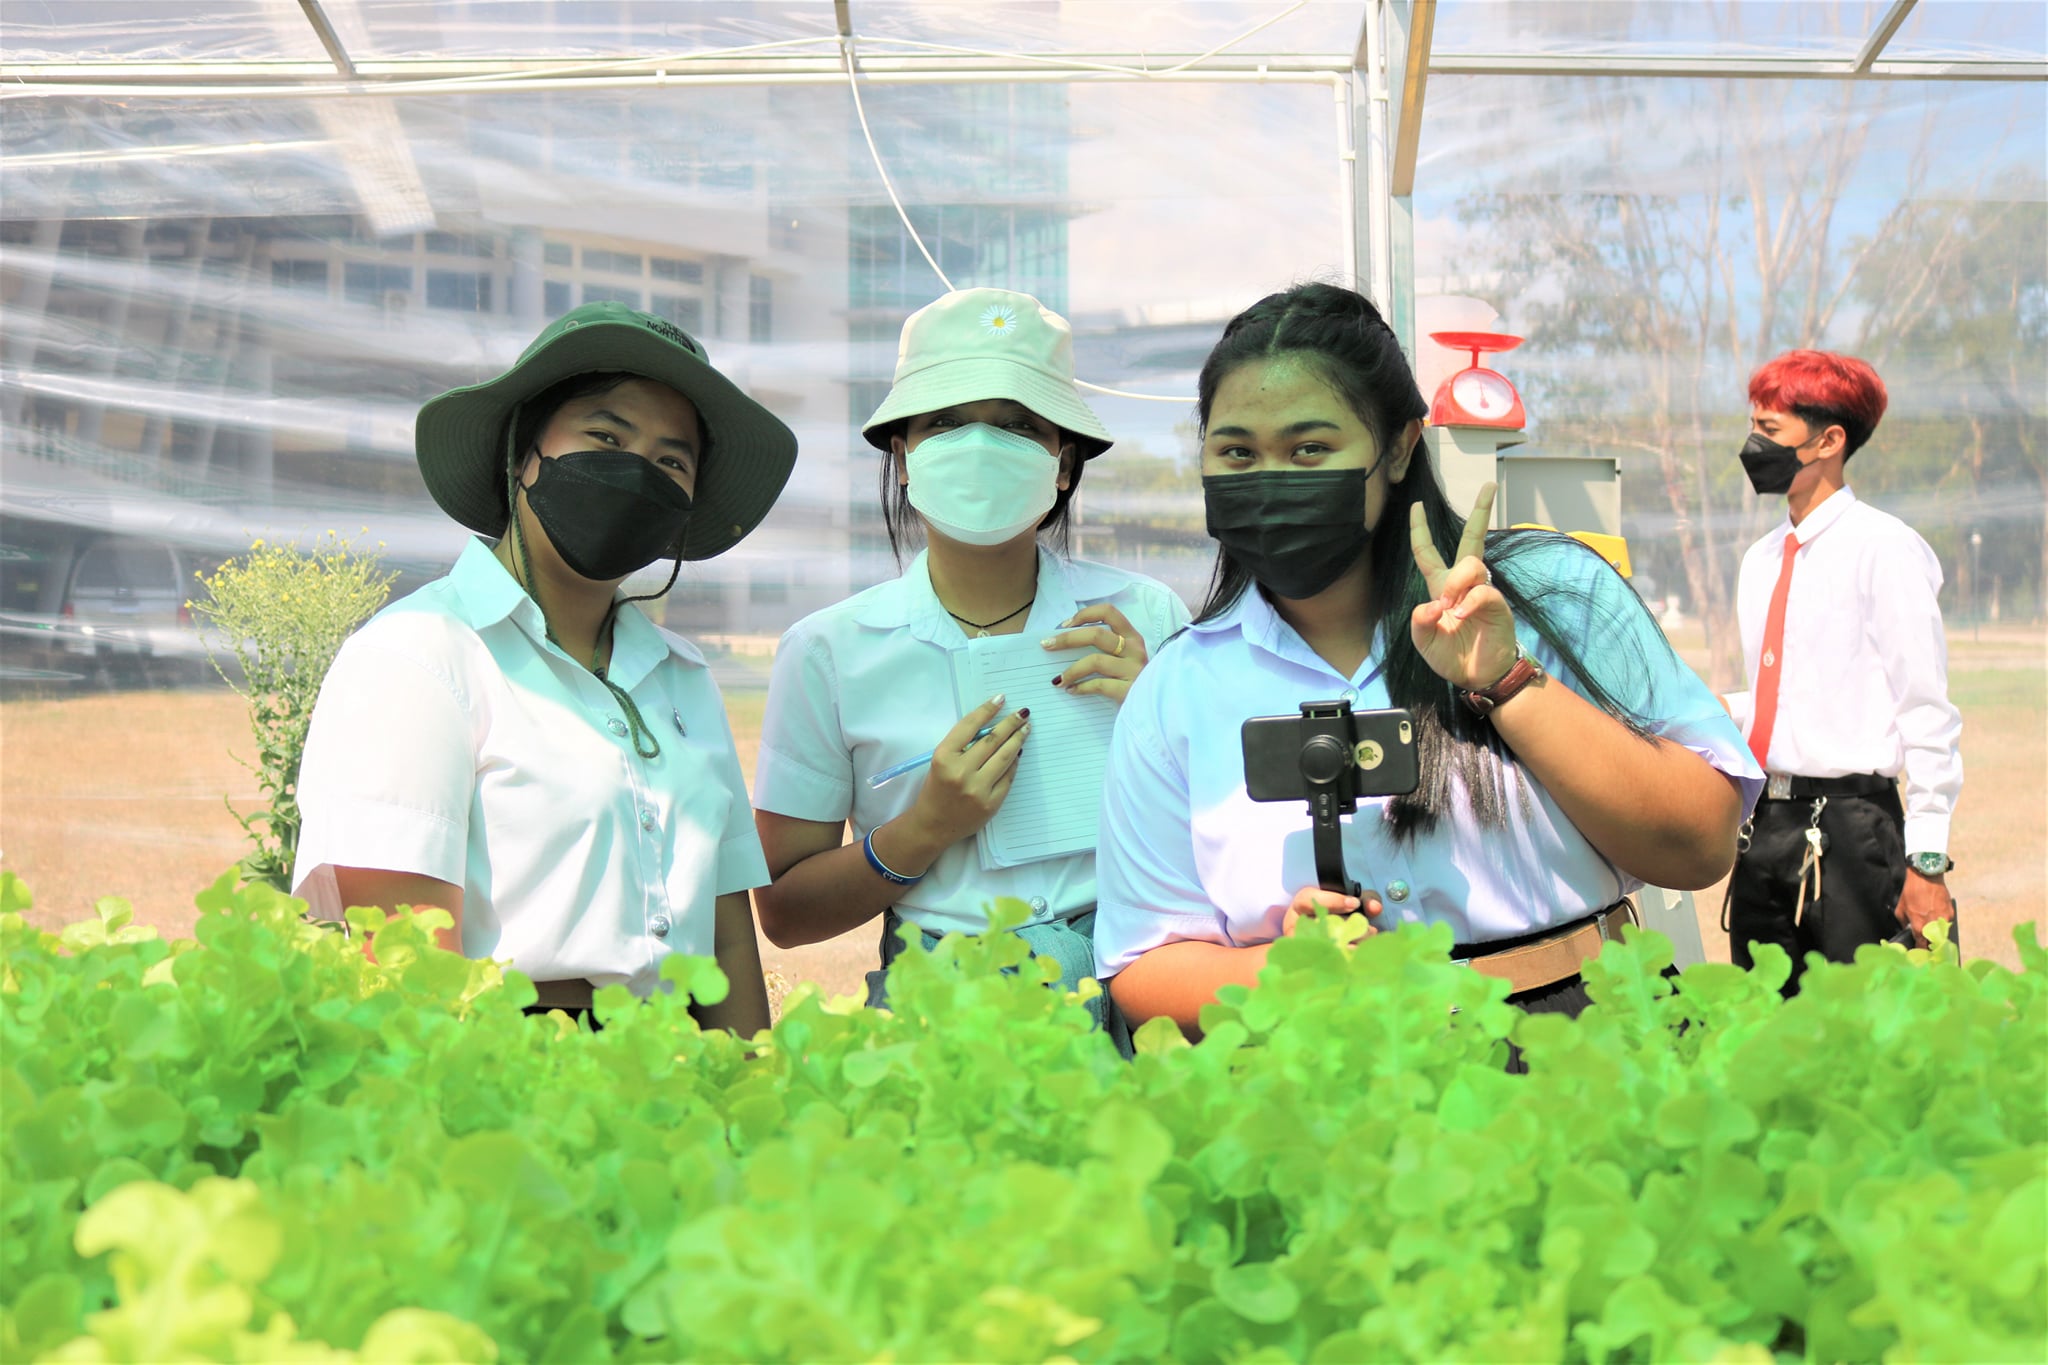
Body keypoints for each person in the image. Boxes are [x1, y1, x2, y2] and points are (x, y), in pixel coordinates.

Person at [1092, 283, 1760, 1043]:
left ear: (1401, 446)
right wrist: (1283, 970)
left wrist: (1510, 682)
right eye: (1237, 452)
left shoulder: (1552, 592)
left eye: (1310, 449)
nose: (1271, 479)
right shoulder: (1177, 688)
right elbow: (1141, 960)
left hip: (1579, 1043)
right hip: (1331, 1063)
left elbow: (1700, 844)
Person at [293, 301, 798, 1032]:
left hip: (680, 1065)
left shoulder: (682, 678)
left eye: (671, 462)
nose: (637, 473)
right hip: (510, 1059)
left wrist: (750, 1081)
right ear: (521, 454)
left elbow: (725, 936)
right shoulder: (419, 654)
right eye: (606, 436)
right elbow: (406, 962)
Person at [751, 287, 1189, 1015]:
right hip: (935, 1014)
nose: (981, 446)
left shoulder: (1146, 618)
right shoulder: (828, 652)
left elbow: (1223, 839)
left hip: (1138, 991)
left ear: (1063, 463)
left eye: (1018, 425)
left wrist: (1161, 723)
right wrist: (925, 828)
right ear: (903, 456)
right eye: (946, 422)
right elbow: (786, 914)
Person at [1721, 350, 1962, 991]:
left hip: (1854, 832)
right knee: (1764, 1022)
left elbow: (1925, 711)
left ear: (1829, 441)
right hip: (1766, 829)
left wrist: (1927, 862)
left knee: (1865, 1026)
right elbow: (1801, 692)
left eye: (1769, 429)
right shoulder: (1761, 559)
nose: (1753, 444)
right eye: (1753, 426)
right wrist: (1723, 711)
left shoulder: (1885, 548)